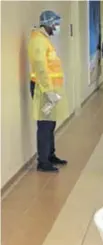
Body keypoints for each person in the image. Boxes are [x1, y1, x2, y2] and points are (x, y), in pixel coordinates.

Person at [28, 10, 68, 172]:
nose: (57, 27)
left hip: (51, 87)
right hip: (43, 88)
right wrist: (48, 90)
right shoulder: (38, 40)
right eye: (56, 24)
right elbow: (40, 67)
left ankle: (50, 155)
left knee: (51, 122)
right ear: (48, 24)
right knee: (45, 124)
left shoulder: (45, 40)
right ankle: (43, 162)